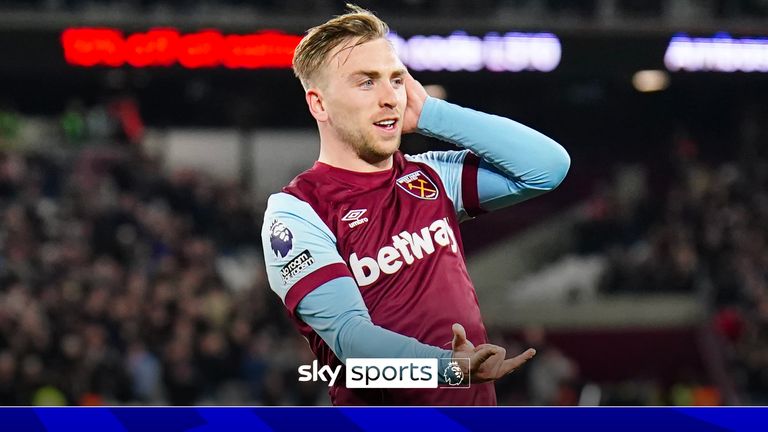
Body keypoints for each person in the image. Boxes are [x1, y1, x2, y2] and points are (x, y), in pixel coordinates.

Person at [260, 4, 570, 405]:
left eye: (395, 79)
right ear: (319, 104)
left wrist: (431, 113)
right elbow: (354, 343)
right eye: (366, 82)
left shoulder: (431, 175)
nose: (390, 97)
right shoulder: (297, 211)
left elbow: (546, 168)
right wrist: (449, 368)